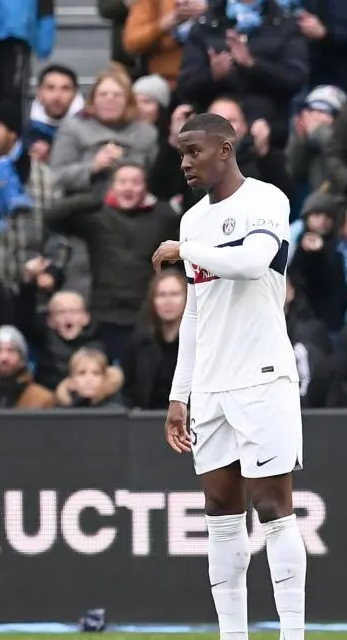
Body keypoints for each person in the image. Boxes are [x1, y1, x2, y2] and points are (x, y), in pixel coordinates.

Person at [152, 112, 305, 640]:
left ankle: (292, 633)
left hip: (263, 375)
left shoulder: (266, 200)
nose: (186, 163)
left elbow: (254, 262)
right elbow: (195, 311)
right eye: (180, 154)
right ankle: (232, 634)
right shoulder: (191, 220)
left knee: (272, 508)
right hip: (211, 386)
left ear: (226, 148)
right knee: (220, 508)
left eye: (194, 151)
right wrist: (180, 394)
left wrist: (183, 252)